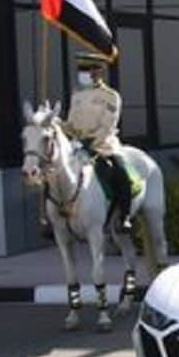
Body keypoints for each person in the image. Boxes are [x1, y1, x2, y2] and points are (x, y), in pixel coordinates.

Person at [64, 51, 132, 231]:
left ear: (99, 72)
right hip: (77, 146)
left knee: (121, 174)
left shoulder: (110, 96)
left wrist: (91, 142)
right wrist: (57, 124)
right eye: (81, 69)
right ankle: (53, 218)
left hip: (103, 146)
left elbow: (108, 125)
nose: (83, 74)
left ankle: (124, 216)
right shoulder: (77, 95)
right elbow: (71, 123)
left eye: (87, 70)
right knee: (53, 172)